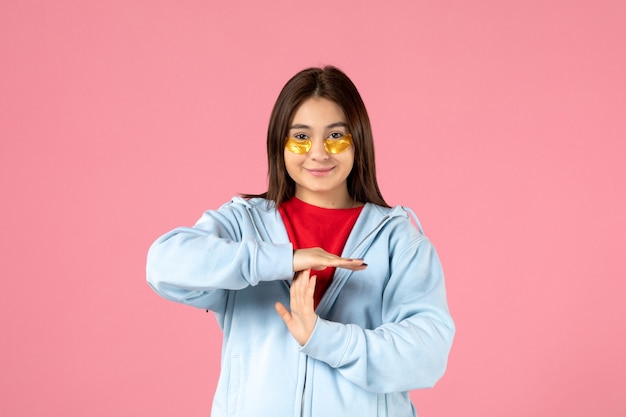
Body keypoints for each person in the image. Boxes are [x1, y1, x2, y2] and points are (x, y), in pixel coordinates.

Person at [146, 66, 454, 417]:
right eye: (301, 137)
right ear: (280, 143)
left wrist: (323, 338)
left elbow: (427, 354)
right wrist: (283, 260)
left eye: (335, 136)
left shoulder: (398, 239)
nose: (319, 153)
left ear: (359, 140)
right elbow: (163, 265)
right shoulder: (243, 224)